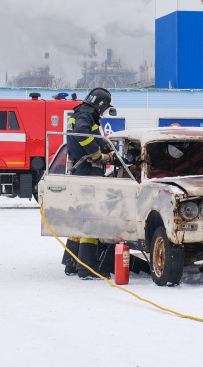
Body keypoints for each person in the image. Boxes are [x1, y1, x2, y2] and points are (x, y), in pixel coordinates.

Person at [62, 87, 114, 279]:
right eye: (105, 107)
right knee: (91, 218)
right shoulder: (86, 116)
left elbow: (85, 135)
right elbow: (83, 134)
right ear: (100, 103)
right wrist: (97, 154)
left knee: (80, 217)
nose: (104, 111)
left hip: (80, 170)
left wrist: (103, 143)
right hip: (89, 170)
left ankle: (71, 264)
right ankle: (87, 268)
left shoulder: (80, 113)